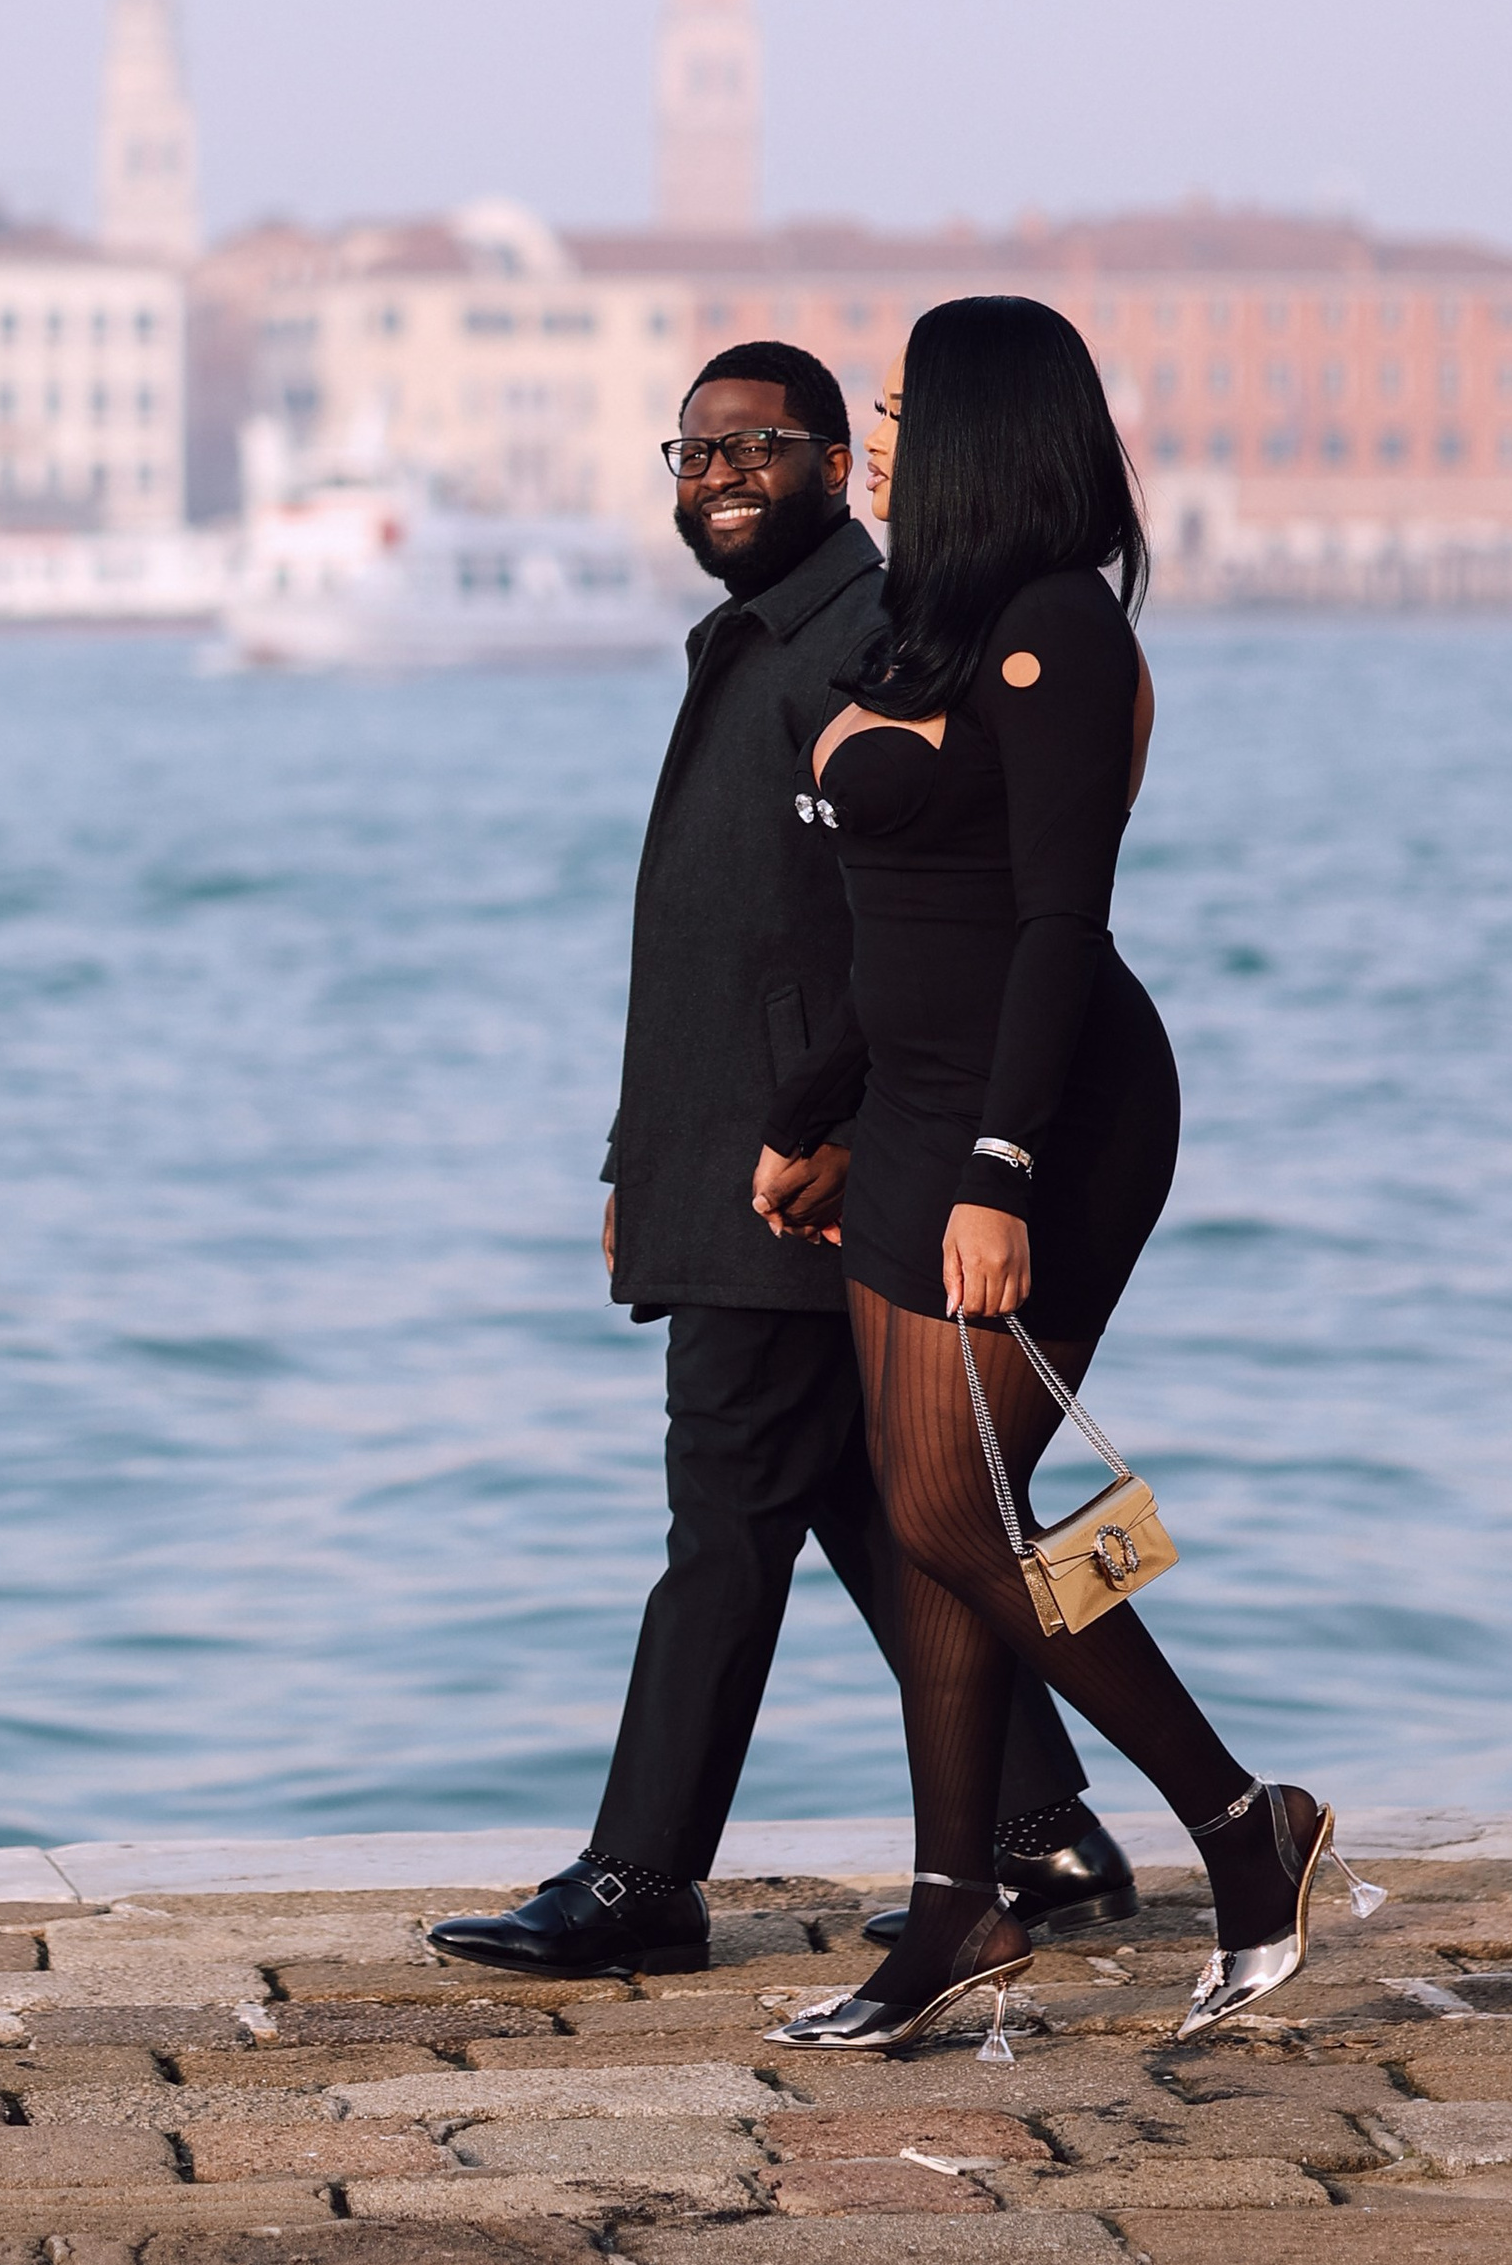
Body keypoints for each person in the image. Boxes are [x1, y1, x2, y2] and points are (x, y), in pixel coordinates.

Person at [427, 340, 1132, 1985]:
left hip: (807, 1158)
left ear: (834, 465)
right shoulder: (761, 640)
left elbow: (928, 925)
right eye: (694, 453)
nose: (722, 475)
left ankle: (643, 1877)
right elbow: (712, 940)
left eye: (763, 447)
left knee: (730, 1506)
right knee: (864, 1501)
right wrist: (636, 1161)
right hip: (727, 1152)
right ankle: (1040, 1825)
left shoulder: (878, 639)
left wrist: (840, 1130)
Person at [752, 296, 1380, 2054]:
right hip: (916, 1110)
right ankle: (958, 1909)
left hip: (1053, 1113)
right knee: (924, 1514)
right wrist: (823, 1114)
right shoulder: (922, 623)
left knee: (963, 1510)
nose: (870, 433)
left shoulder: (1059, 634)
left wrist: (1000, 1175)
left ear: (981, 433)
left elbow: (1052, 925)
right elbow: (899, 923)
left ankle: (1240, 1821)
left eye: (893, 408)